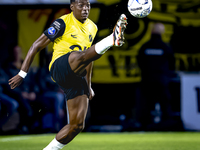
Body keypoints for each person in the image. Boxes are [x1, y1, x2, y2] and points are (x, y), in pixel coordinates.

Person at [9, 0, 127, 149]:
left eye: (88, 6)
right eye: (81, 5)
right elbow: (35, 45)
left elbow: (89, 59)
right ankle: (111, 39)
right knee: (79, 55)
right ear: (72, 7)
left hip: (76, 75)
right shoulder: (62, 23)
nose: (85, 9)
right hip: (59, 67)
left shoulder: (92, 27)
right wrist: (22, 73)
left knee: (76, 125)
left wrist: (88, 86)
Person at [136, 23, 175, 129]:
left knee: (146, 104)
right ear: (162, 32)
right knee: (165, 104)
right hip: (162, 81)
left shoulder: (145, 47)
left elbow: (139, 62)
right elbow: (172, 63)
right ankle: (167, 125)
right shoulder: (165, 47)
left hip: (147, 80)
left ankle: (145, 125)